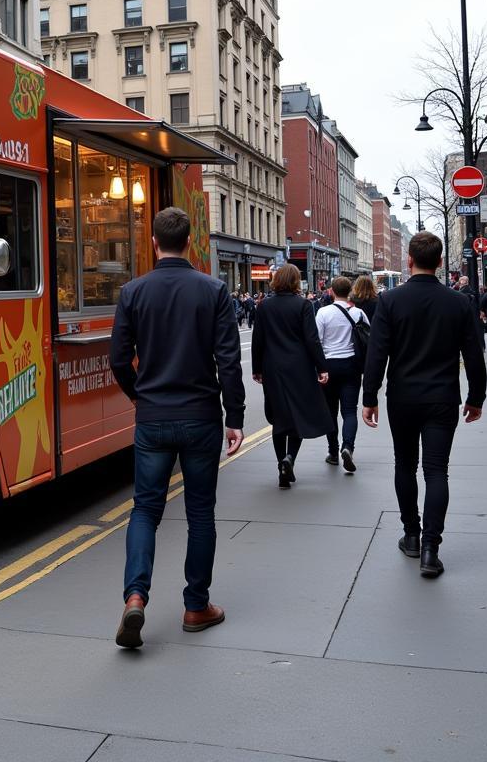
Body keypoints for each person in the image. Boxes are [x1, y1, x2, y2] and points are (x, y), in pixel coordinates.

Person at [110, 207, 244, 648]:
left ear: (154, 242)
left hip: (153, 417)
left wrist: (137, 395)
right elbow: (228, 360)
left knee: (145, 510)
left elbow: (117, 358)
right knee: (200, 514)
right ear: (190, 242)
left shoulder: (133, 291)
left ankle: (135, 597)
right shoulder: (214, 290)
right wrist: (236, 417)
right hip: (202, 416)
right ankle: (195, 605)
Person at [362, 232, 486, 578]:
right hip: (442, 398)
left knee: (405, 465)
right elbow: (473, 354)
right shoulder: (458, 302)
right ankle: (432, 549)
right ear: (441, 262)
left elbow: (377, 353)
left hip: (402, 398)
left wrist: (369, 397)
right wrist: (476, 397)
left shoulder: (391, 302)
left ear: (410, 262)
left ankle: (411, 535)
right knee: (436, 471)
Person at [252, 264, 331, 489]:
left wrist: (256, 368)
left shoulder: (264, 306)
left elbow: (258, 339)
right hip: (299, 367)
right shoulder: (303, 305)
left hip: (273, 367)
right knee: (299, 414)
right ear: (296, 281)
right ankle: (290, 458)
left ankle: (281, 465)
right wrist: (321, 367)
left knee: (279, 417)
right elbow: (312, 339)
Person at [316, 276, 369, 472]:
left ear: (331, 291)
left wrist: (318, 367)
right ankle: (348, 447)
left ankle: (332, 451)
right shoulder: (358, 313)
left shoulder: (323, 312)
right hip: (351, 365)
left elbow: (317, 341)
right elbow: (367, 337)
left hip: (329, 365)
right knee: (349, 411)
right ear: (350, 292)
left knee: (330, 411)